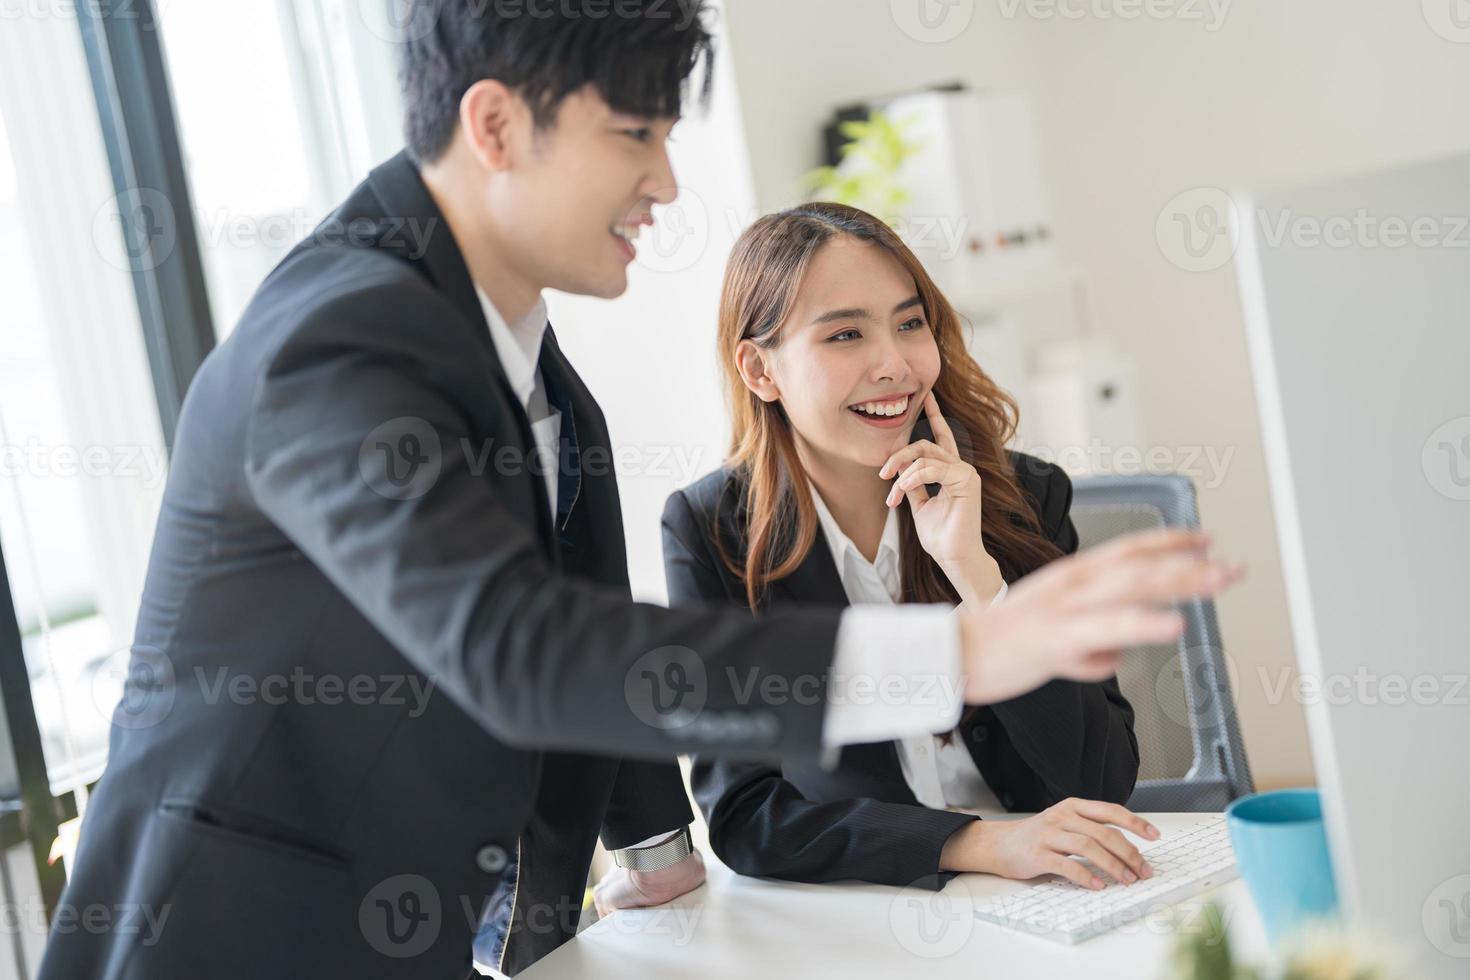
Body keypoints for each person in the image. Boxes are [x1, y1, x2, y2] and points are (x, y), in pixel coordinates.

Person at [39, 3, 1241, 977]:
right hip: (236, 939)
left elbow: (564, 612)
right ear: (498, 125)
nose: (667, 183)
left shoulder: (533, 371)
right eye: (634, 135)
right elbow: (520, 645)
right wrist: (960, 654)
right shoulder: (342, 340)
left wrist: (652, 843)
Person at [663, 202, 1171, 895]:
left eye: (910, 324)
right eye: (845, 335)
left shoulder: (1023, 496)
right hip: (876, 902)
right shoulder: (712, 532)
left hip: (1051, 894)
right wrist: (977, 843)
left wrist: (979, 579)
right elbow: (747, 816)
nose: (895, 365)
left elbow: (1100, 779)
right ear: (760, 370)